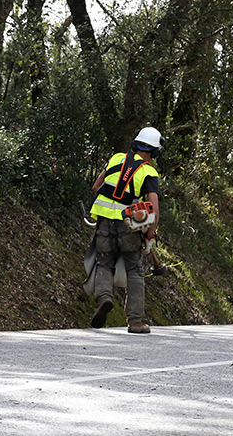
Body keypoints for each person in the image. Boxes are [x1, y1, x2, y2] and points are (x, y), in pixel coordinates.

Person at [86, 127, 164, 334]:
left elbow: (96, 188)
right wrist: (149, 235)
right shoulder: (148, 171)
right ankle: (136, 322)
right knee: (134, 270)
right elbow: (154, 211)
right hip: (129, 226)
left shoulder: (117, 159)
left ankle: (104, 298)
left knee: (104, 263)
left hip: (103, 222)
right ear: (155, 152)